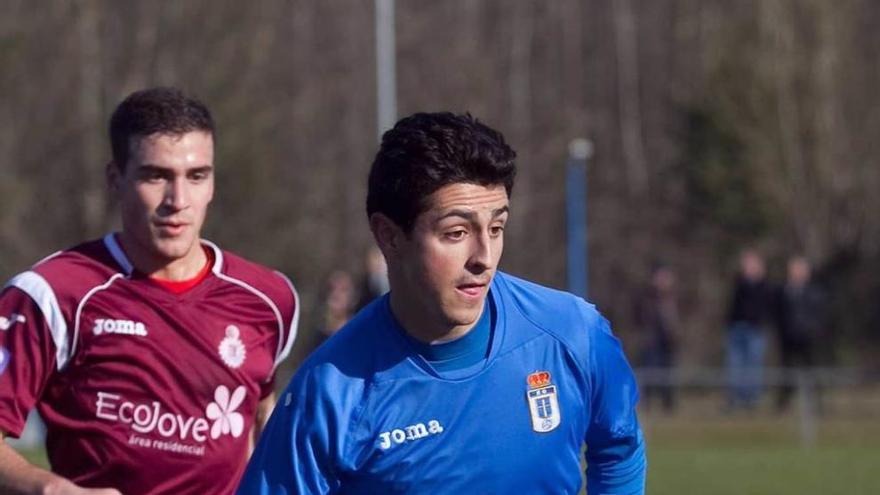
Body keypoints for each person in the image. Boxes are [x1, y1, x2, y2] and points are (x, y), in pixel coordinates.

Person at [238, 112, 646, 494]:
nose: (484, 256)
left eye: (497, 227)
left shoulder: (573, 332)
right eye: (456, 233)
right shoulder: (330, 394)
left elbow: (619, 449)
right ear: (390, 236)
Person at [0, 87, 300, 495]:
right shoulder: (52, 295)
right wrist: (52, 490)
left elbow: (260, 413)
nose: (178, 200)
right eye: (155, 175)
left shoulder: (269, 298)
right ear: (115, 179)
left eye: (196, 176)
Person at [775, 255, 826, 411]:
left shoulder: (814, 292)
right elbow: (777, 313)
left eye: (800, 270)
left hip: (807, 338)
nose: (797, 273)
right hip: (788, 337)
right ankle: (784, 404)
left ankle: (815, 403)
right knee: (787, 371)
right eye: (794, 270)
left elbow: (818, 314)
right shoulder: (783, 291)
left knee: (810, 370)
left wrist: (813, 330)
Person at [725, 249, 773, 411]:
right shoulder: (739, 283)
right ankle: (735, 399)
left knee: (753, 366)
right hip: (737, 328)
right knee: (735, 365)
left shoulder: (764, 285)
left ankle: (750, 400)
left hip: (755, 330)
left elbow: (765, 305)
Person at [633, 262, 679, 412]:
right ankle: (647, 403)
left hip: (668, 339)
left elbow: (676, 319)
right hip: (651, 339)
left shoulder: (672, 296)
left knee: (668, 372)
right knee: (650, 371)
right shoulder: (647, 296)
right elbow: (639, 316)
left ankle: (668, 404)